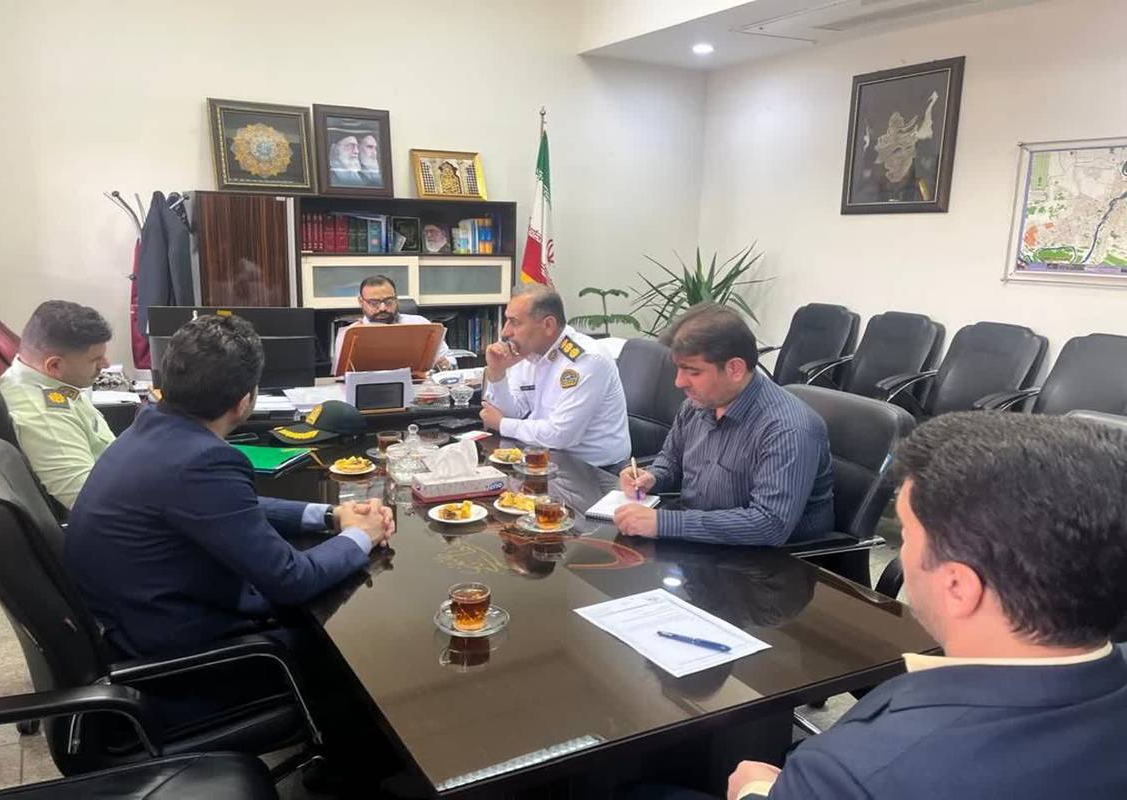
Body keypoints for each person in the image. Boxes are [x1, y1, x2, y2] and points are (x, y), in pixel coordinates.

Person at [644, 413, 1127, 800]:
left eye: (908, 535)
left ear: (958, 586)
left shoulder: (854, 773)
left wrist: (758, 791)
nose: (902, 555)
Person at [65, 314, 395, 657]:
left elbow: (230, 509)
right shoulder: (202, 461)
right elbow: (292, 580)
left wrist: (330, 515)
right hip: (189, 654)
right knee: (361, 644)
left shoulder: (149, 427)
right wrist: (362, 535)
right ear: (243, 402)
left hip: (133, 622)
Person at [615, 303, 832, 545]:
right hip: (698, 539)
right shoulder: (697, 405)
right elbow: (671, 460)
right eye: (679, 369)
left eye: (693, 372)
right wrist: (652, 477)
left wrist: (664, 523)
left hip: (767, 558)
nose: (679, 382)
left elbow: (770, 524)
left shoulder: (787, 429)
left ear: (735, 369)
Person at [481, 284, 631, 469]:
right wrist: (497, 373)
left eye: (515, 322)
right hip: (544, 457)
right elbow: (513, 412)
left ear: (548, 325)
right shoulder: (529, 354)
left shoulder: (586, 360)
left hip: (593, 470)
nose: (505, 332)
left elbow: (561, 435)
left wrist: (502, 424)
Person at [0, 300, 114, 509]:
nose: (106, 364)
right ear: (55, 365)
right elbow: (91, 501)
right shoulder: (43, 417)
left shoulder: (47, 381)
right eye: (96, 359)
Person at [333, 274, 453, 371]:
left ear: (396, 299)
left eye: (389, 301)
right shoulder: (350, 333)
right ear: (361, 302)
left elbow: (450, 360)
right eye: (374, 303)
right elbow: (341, 375)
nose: (383, 308)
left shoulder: (420, 324)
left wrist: (444, 365)